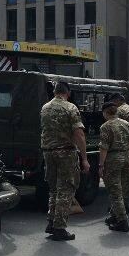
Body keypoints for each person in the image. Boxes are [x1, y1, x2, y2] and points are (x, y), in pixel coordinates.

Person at [40, 81, 90, 241]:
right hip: (65, 153)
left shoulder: (45, 107)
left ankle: (51, 222)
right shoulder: (70, 107)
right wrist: (85, 158)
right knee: (66, 189)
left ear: (55, 92)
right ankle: (60, 228)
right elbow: (79, 134)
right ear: (67, 93)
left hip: (48, 152)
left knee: (54, 189)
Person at [98, 102, 129, 232]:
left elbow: (104, 147)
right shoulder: (127, 124)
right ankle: (115, 216)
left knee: (114, 191)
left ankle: (122, 221)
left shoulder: (105, 126)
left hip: (113, 159)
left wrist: (101, 165)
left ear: (105, 112)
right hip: (127, 157)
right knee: (124, 189)